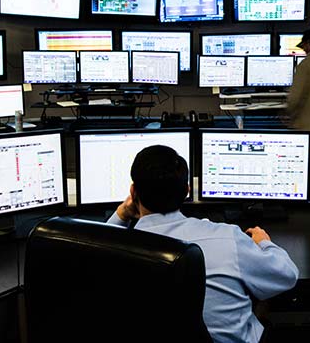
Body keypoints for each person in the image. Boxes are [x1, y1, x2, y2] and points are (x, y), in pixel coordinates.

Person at [108, 145, 299, 342]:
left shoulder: (120, 251)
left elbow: (95, 250)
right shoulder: (228, 238)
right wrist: (265, 243)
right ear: (187, 191)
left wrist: (121, 214)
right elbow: (287, 276)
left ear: (133, 191)